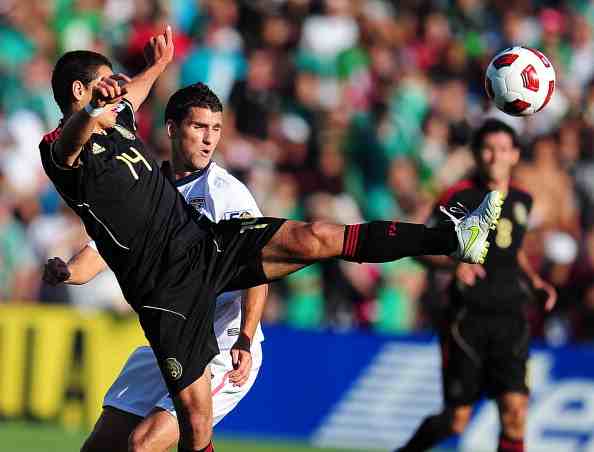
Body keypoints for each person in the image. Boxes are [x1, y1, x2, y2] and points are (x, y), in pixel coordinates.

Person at [40, 26, 502, 452]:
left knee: (315, 236)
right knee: (186, 427)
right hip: (165, 291)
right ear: (80, 91)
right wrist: (95, 110)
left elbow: (130, 98)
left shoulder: (126, 126)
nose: (117, 90)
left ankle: (452, 237)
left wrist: (155, 69)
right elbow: (72, 142)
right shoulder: (62, 147)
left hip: (204, 246)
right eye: (105, 83)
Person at [43, 84, 268, 452]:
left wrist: (245, 336)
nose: (209, 140)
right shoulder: (147, 187)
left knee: (143, 445)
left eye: (216, 129)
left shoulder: (226, 194)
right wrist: (67, 271)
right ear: (172, 129)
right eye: (199, 127)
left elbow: (257, 269)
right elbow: (101, 251)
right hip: (168, 345)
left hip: (221, 348)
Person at [395, 119, 557, 452]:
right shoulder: (459, 198)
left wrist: (534, 281)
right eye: (487, 149)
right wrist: (453, 266)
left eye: (502, 149)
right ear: (476, 155)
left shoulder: (523, 200)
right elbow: (421, 248)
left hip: (511, 317)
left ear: (514, 155)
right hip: (466, 319)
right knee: (456, 420)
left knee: (515, 413)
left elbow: (513, 248)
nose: (495, 157)